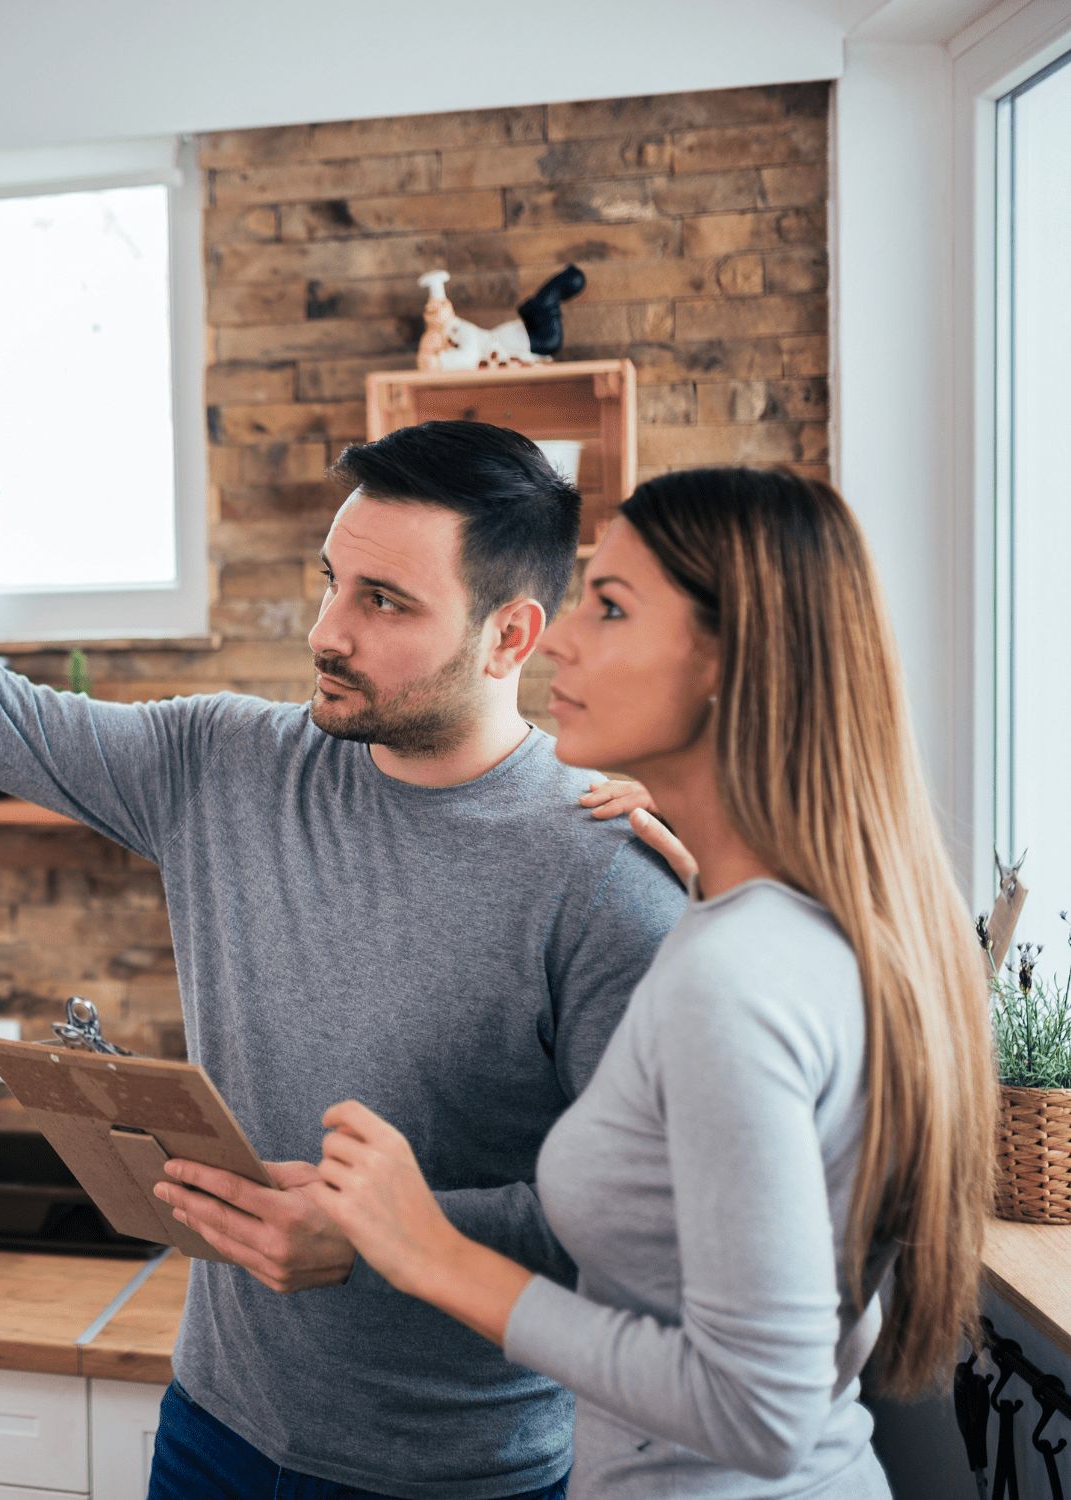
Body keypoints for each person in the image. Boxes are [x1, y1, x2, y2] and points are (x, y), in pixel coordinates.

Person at [0, 369, 686, 1500]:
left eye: (385, 602)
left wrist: (387, 1235)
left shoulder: (604, 876)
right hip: (215, 1433)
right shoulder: (224, 764)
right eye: (332, 582)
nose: (326, 632)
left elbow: (648, 1222)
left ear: (510, 635)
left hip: (457, 1477)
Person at [311, 467, 995, 1497]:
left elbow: (759, 1410)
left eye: (612, 607)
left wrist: (429, 1253)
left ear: (732, 663)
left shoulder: (735, 977)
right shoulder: (796, 925)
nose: (564, 637)